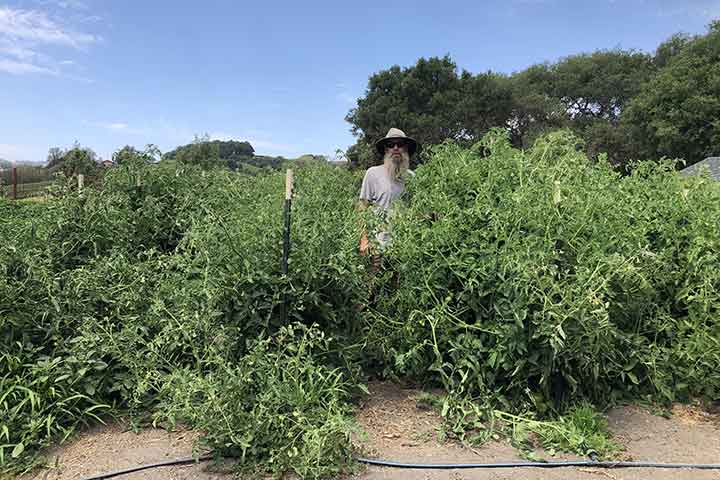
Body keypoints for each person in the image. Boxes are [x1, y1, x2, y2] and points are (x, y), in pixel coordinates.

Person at [358, 127, 419, 273]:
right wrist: (364, 240)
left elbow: (413, 211)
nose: (396, 148)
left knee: (397, 287)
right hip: (377, 245)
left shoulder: (411, 177)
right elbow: (362, 208)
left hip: (402, 245)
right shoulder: (373, 173)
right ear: (386, 150)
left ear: (406, 148)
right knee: (371, 288)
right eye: (391, 145)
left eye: (400, 144)